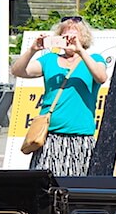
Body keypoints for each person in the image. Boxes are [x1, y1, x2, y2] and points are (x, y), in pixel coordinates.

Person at [10, 15, 108, 176]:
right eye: (65, 36)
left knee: (78, 188)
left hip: (81, 138)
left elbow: (101, 77)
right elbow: (18, 71)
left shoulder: (94, 59)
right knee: (46, 187)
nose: (69, 40)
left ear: (83, 38)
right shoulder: (49, 60)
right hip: (50, 138)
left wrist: (80, 51)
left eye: (73, 36)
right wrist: (32, 49)